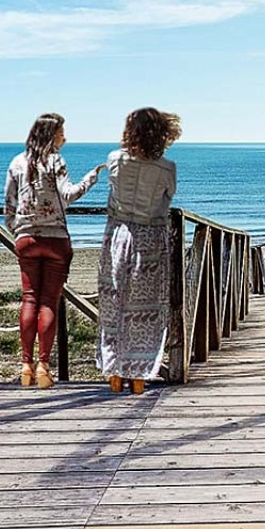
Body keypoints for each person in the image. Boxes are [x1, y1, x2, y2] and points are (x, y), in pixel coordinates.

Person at [4, 113, 103, 389]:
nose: (65, 137)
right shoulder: (55, 161)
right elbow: (68, 195)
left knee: (29, 299)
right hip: (55, 240)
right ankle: (44, 368)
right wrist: (92, 178)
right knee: (48, 302)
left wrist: (18, 231)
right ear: (51, 135)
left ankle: (25, 365)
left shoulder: (17, 162)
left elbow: (8, 205)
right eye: (61, 132)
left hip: (26, 240)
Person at [96, 107, 181, 394]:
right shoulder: (167, 167)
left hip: (118, 236)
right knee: (146, 310)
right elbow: (167, 197)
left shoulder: (114, 159)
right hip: (150, 238)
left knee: (114, 304)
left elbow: (114, 194)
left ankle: (115, 374)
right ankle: (140, 377)